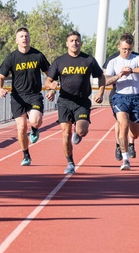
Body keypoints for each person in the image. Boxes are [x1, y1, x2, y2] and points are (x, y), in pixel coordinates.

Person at [44, 30, 105, 175]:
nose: (74, 43)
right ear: (67, 43)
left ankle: (78, 133)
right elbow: (48, 80)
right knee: (65, 133)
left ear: (81, 43)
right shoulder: (59, 61)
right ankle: (70, 163)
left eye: (77, 40)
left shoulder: (88, 60)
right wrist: (52, 86)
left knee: (82, 130)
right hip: (65, 101)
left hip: (82, 102)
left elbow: (101, 77)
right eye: (71, 40)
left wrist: (101, 92)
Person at [0, 27, 54, 167]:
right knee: (21, 128)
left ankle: (34, 129)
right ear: (17, 40)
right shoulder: (11, 58)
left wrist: (52, 89)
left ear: (29, 38)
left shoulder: (38, 56)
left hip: (34, 95)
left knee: (35, 121)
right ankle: (26, 155)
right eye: (21, 36)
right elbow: (0, 77)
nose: (24, 38)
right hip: (18, 97)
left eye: (26, 36)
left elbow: (51, 75)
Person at [98, 33, 139, 170]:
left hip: (136, 98)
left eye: (128, 49)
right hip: (120, 97)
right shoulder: (113, 62)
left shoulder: (137, 58)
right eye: (123, 49)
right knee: (123, 124)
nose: (126, 52)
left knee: (135, 133)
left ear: (132, 47)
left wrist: (132, 70)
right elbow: (105, 80)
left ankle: (130, 144)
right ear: (119, 47)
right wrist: (119, 75)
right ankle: (125, 158)